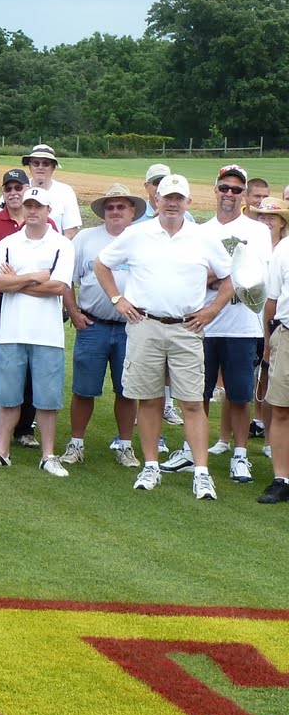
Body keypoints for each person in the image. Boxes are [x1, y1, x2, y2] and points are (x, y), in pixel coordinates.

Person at [94, 173, 234, 500]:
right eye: (166, 197)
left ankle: (201, 472)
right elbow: (102, 264)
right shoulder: (137, 234)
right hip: (145, 324)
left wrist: (210, 311)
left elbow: (229, 281)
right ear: (157, 200)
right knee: (150, 399)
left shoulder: (203, 237)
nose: (172, 203)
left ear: (188, 202)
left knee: (192, 402)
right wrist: (118, 299)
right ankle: (151, 466)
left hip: (187, 328)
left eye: (178, 198)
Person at [161, 164, 272, 482]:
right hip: (202, 326)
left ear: (244, 195)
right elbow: (191, 274)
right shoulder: (200, 231)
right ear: (215, 190)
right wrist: (223, 275)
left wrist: (217, 276)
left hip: (242, 325)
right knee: (196, 394)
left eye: (237, 190)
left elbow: (252, 276)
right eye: (224, 188)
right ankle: (189, 450)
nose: (229, 194)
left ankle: (240, 455)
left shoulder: (258, 232)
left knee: (239, 396)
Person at [0, 188, 75, 475]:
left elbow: (58, 287)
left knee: (47, 398)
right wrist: (33, 276)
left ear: (48, 210)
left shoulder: (61, 245)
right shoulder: (8, 243)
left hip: (47, 335)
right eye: (28, 205)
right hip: (12, 333)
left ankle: (48, 455)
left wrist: (15, 280)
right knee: (7, 396)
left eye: (38, 206)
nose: (32, 211)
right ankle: (1, 451)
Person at [62, 185, 144, 468]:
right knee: (84, 389)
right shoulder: (86, 238)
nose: (115, 212)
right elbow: (66, 280)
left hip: (130, 327)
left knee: (127, 390)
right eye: (110, 207)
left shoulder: (143, 239)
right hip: (92, 324)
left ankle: (125, 446)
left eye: (121, 207)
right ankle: (76, 444)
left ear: (132, 211)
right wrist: (73, 312)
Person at [0, 169, 49, 446]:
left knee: (31, 363)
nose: (13, 193)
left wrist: (13, 280)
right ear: (3, 193)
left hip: (35, 303)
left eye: (18, 188)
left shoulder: (46, 222)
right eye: (8, 188)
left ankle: (25, 429)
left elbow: (50, 273)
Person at [257, 221, 289, 503]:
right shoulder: (285, 250)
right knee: (280, 409)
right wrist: (268, 344)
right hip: (287, 336)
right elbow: (272, 301)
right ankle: (282, 479)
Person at [22, 144, 83, 238]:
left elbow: (70, 232)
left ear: (53, 167)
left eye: (46, 164)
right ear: (29, 166)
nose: (40, 167)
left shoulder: (66, 192)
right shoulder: (18, 189)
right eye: (35, 163)